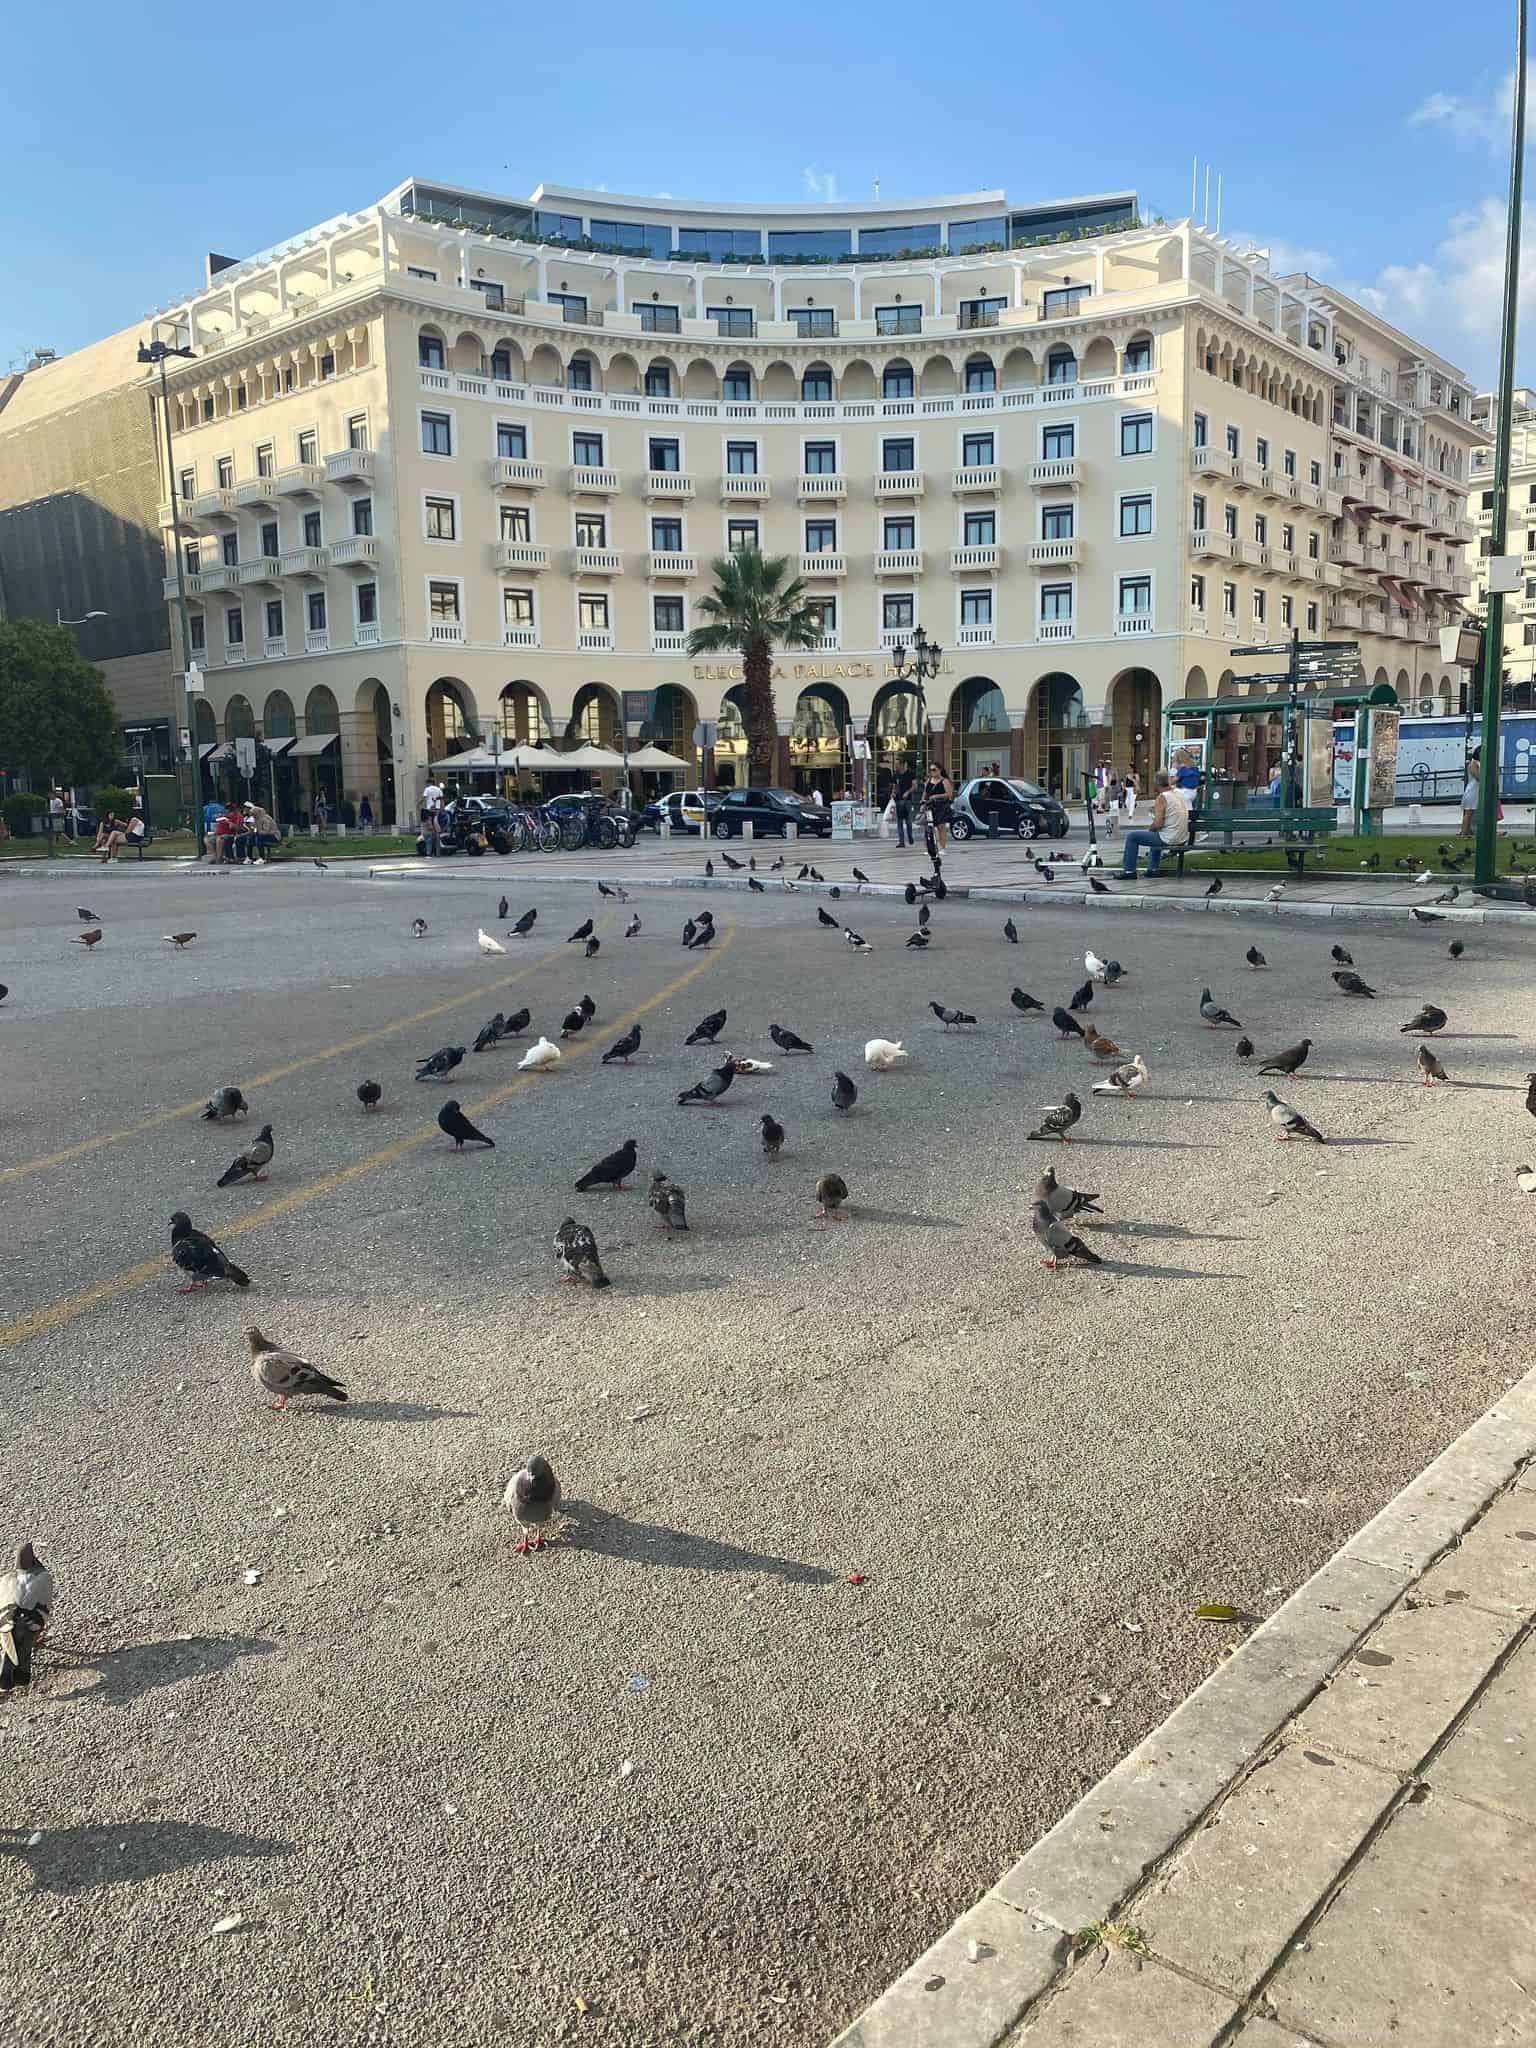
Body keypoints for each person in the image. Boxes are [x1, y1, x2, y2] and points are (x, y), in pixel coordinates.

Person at [1118, 768, 1190, 880]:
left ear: (1156, 784)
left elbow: (1158, 824)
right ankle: (1153, 869)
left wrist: (1151, 828)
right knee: (1155, 834)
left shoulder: (1162, 797)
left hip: (1170, 838)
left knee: (1132, 837)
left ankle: (1129, 871)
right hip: (1182, 837)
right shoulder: (1178, 793)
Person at [922, 760, 954, 852]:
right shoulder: (929, 780)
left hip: (941, 805)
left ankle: (942, 848)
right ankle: (930, 847)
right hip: (930, 806)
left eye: (934, 769)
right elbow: (925, 792)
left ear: (939, 770)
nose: (932, 772)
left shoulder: (945, 781)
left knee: (941, 827)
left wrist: (936, 796)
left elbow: (949, 794)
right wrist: (923, 801)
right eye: (931, 770)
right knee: (928, 827)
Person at [893, 763, 916, 847]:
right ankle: (901, 841)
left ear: (902, 765)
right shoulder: (896, 775)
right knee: (899, 821)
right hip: (898, 800)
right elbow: (895, 786)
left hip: (907, 800)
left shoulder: (910, 774)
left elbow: (914, 786)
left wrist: (908, 792)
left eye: (897, 764)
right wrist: (893, 793)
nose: (896, 766)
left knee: (908, 821)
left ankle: (910, 837)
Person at [420, 778, 444, 856]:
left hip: (430, 810)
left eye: (426, 783)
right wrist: (442, 809)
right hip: (437, 811)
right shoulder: (438, 789)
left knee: (429, 832)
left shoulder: (427, 789)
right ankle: (438, 853)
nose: (426, 785)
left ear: (428, 783)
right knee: (437, 833)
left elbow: (423, 798)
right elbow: (442, 800)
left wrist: (418, 804)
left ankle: (429, 853)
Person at [1461, 751, 1480, 836]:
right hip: (1472, 791)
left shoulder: (1478, 763)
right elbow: (1478, 777)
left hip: (1476, 790)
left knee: (1471, 812)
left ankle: (1468, 831)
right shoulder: (1473, 764)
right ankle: (1464, 832)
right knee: (1469, 812)